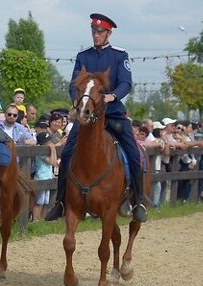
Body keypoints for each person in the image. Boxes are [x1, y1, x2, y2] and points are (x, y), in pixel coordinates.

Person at [45, 13, 148, 222]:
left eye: (100, 31)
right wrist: (76, 99)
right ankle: (60, 202)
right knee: (68, 153)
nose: (96, 35)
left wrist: (113, 95)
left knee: (133, 153)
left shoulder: (120, 55)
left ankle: (138, 201)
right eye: (94, 31)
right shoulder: (83, 56)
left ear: (109, 33)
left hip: (113, 114)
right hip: (87, 117)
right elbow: (74, 83)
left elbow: (126, 83)